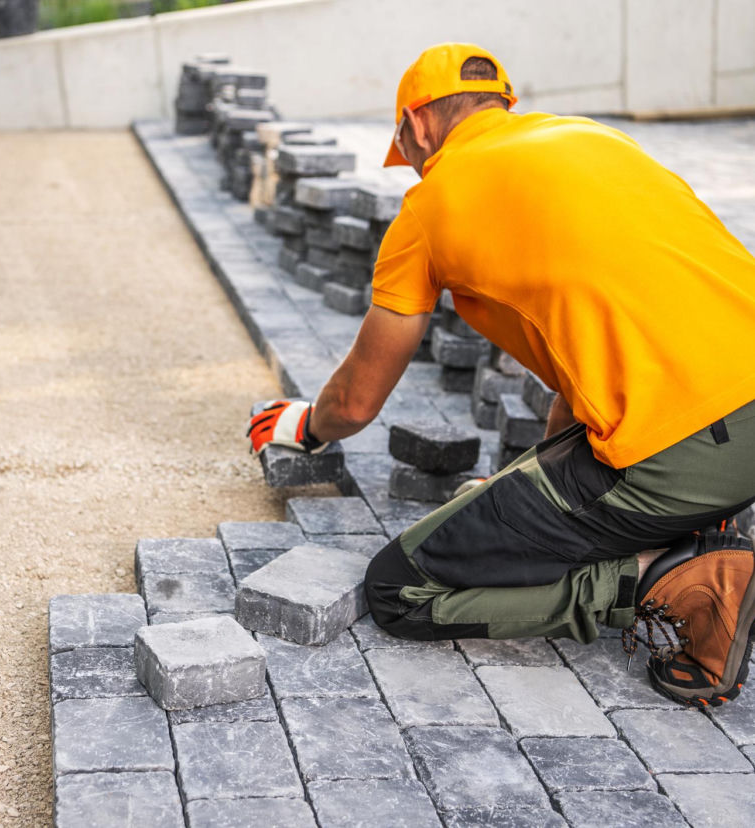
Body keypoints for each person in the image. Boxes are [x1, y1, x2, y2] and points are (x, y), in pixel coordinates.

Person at [247, 42, 755, 709]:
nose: (413, 166)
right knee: (540, 500)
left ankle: (669, 580)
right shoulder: (595, 140)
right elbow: (584, 381)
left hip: (681, 453)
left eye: (407, 150)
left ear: (416, 124)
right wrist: (526, 485)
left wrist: (307, 426)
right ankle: (700, 533)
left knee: (398, 590)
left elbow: (357, 402)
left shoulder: (432, 205)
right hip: (730, 428)